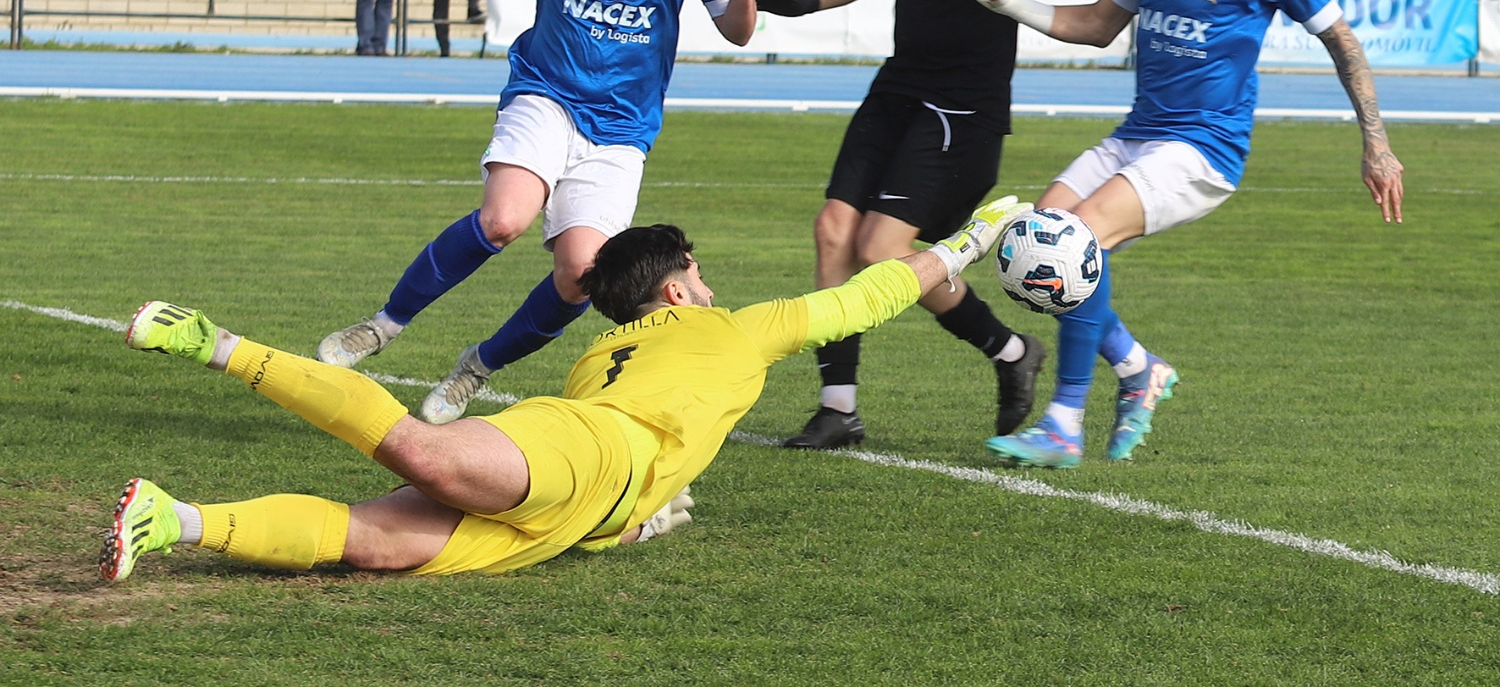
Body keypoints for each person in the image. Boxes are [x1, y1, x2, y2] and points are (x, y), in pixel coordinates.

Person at [100, 197, 1029, 582]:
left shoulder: (602, 357)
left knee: (373, 545)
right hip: (591, 452)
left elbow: (657, 461)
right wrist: (971, 239)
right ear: (678, 287)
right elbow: (871, 293)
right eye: (700, 278)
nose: (709, 292)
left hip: (576, 506)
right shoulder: (729, 329)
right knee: (418, 453)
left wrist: (650, 510)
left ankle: (171, 518)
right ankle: (213, 341)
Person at [960, 0, 1406, 468]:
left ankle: (1063, 423)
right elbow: (1097, 25)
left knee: (1071, 243)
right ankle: (1140, 370)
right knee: (1042, 234)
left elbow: (1341, 40)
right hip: (1140, 134)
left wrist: (1377, 142)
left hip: (1204, 151)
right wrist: (1007, 2)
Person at [319, 0, 764, 428]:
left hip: (621, 131)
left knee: (583, 276)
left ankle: (478, 366)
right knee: (504, 219)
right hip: (547, 95)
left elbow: (737, 33)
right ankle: (383, 326)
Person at [753, 0, 1130, 450]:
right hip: (898, 87)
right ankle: (839, 407)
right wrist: (808, 0)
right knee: (833, 230)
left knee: (879, 248)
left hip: (965, 106)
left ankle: (1010, 351)